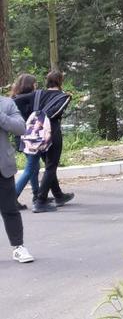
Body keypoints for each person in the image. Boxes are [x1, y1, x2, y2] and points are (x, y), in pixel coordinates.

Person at [15, 70, 73, 213]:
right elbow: (55, 113)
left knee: (48, 166)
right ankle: (40, 201)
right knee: (51, 167)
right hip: (51, 134)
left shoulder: (38, 93)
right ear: (60, 81)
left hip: (35, 135)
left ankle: (58, 195)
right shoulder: (64, 96)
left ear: (47, 81)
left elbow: (16, 100)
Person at [0, 88, 31, 262]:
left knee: (10, 209)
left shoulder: (6, 103)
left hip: (2, 166)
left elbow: (21, 128)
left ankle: (18, 247)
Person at [10, 74, 38, 210]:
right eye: (34, 83)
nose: (36, 86)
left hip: (20, 137)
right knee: (31, 167)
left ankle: (37, 195)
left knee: (34, 167)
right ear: (29, 85)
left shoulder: (15, 99)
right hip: (29, 137)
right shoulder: (28, 99)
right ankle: (12, 197)